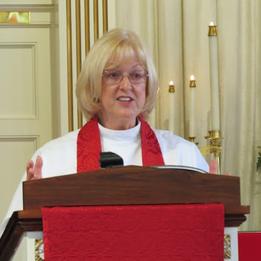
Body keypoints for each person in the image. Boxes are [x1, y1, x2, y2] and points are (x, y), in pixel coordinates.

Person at [0, 28, 208, 237]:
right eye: (113, 75)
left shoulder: (183, 156)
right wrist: (33, 209)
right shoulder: (52, 160)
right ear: (94, 85)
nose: (126, 85)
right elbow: (13, 243)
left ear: (148, 85)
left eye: (136, 75)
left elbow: (210, 236)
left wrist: (218, 195)